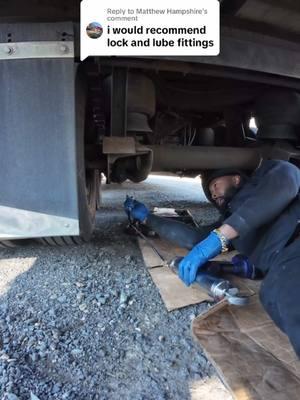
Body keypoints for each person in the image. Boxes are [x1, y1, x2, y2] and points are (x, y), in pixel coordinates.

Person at [124, 160, 300, 357]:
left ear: (236, 178)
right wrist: (147, 217)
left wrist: (222, 235)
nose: (214, 194)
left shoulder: (268, 176)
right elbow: (194, 239)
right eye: (211, 194)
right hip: (280, 268)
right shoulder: (229, 223)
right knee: (274, 297)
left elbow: (288, 179)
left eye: (215, 186)